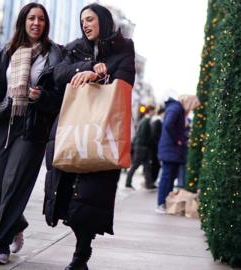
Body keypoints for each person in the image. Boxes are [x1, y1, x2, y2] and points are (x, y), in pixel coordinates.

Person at [0, 3, 63, 264]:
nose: (36, 23)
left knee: (14, 185)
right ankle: (16, 223)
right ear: (23, 21)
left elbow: (60, 97)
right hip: (2, 124)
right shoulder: (5, 51)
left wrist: (40, 96)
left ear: (46, 24)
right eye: (31, 18)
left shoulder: (54, 55)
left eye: (41, 19)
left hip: (31, 129)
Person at [43, 3, 135, 270]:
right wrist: (87, 67)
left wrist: (100, 77)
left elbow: (126, 79)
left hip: (102, 131)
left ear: (103, 21)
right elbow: (57, 75)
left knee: (90, 198)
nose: (85, 24)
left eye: (90, 19)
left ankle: (81, 254)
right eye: (82, 20)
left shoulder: (123, 47)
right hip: (72, 129)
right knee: (66, 198)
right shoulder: (72, 48)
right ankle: (80, 248)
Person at [156, 95, 200, 214]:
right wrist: (177, 139)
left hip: (172, 150)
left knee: (169, 177)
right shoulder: (176, 108)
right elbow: (169, 125)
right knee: (167, 177)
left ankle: (164, 203)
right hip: (171, 149)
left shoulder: (176, 108)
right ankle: (161, 204)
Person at [124, 105, 156, 190]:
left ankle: (149, 183)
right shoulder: (146, 121)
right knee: (136, 165)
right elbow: (144, 136)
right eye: (153, 111)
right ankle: (128, 182)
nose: (154, 112)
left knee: (146, 166)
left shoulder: (144, 120)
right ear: (150, 111)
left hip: (141, 147)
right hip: (142, 147)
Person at [150, 106, 165, 183]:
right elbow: (155, 135)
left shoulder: (159, 121)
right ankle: (152, 180)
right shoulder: (157, 122)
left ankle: (152, 180)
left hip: (156, 147)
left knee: (156, 165)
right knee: (155, 165)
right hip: (155, 148)